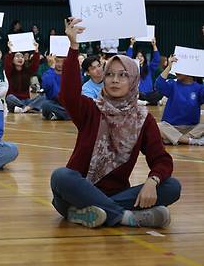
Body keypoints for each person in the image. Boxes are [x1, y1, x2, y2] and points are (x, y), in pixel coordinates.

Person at [50, 18, 180, 229]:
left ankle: (91, 213)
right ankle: (126, 217)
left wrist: (152, 181)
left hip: (119, 193)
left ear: (133, 80)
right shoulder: (91, 109)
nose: (114, 80)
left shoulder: (142, 118)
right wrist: (73, 46)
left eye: (122, 75)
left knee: (172, 186)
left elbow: (161, 159)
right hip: (78, 190)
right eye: (109, 74)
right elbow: (68, 95)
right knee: (61, 177)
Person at [155, 55, 204, 145]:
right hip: (171, 127)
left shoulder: (199, 88)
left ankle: (177, 139)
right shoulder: (172, 84)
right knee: (157, 127)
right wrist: (169, 66)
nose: (177, 71)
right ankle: (191, 141)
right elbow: (158, 85)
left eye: (180, 68)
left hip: (191, 128)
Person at [4, 40, 44, 113]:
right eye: (17, 57)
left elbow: (35, 64)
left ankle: (24, 108)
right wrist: (10, 51)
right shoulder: (9, 71)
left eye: (22, 57)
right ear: (12, 60)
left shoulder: (27, 71)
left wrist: (36, 50)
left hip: (26, 100)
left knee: (43, 96)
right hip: (14, 100)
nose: (20, 58)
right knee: (9, 98)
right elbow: (7, 63)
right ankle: (28, 108)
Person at [126, 38, 161, 105]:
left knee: (159, 93)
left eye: (141, 56)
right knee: (131, 95)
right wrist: (132, 44)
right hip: (139, 94)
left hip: (149, 94)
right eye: (137, 56)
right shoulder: (133, 68)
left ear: (144, 58)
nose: (139, 58)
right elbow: (128, 58)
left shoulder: (149, 67)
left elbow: (156, 60)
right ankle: (151, 102)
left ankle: (146, 102)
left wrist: (154, 45)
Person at [41, 54, 69, 121]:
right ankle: (65, 115)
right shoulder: (47, 73)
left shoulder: (70, 73)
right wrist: (52, 68)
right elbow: (48, 87)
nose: (60, 64)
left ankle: (57, 115)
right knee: (45, 105)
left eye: (62, 61)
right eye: (57, 61)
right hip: (54, 103)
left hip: (68, 104)